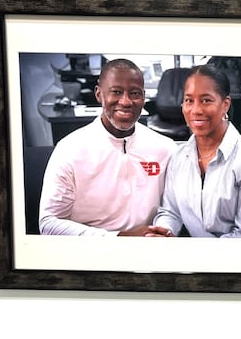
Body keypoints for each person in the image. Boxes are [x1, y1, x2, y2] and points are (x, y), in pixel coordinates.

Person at [38, 58, 178, 236]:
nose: (126, 101)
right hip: (90, 254)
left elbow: (171, 209)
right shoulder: (69, 150)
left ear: (143, 97)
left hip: (149, 248)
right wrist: (118, 238)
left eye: (135, 93)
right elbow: (49, 224)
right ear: (99, 94)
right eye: (116, 92)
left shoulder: (166, 148)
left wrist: (162, 232)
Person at [150, 64, 241, 237]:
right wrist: (163, 232)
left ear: (225, 104)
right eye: (189, 100)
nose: (196, 110)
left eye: (206, 100)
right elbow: (170, 211)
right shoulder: (180, 157)